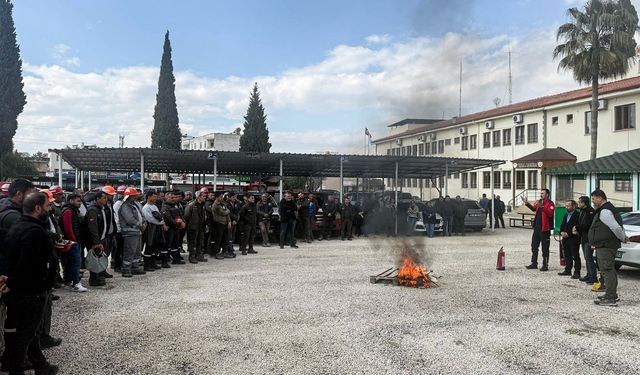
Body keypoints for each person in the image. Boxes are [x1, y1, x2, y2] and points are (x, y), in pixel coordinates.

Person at [0, 192, 59, 375]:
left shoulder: (18, 226)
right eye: (48, 206)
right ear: (38, 208)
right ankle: (14, 369)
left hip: (21, 289)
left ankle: (40, 364)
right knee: (24, 334)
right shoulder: (34, 231)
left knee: (25, 331)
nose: (50, 209)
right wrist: (14, 282)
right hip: (30, 292)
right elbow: (27, 262)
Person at [588, 189, 627, 306]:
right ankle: (611, 294)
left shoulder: (605, 211)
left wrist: (622, 237)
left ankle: (610, 297)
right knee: (609, 270)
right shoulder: (606, 209)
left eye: (594, 199)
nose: (593, 202)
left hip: (606, 246)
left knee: (607, 270)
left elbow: (615, 227)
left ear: (600, 198)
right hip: (605, 245)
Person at [59, 194, 87, 292]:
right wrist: (73, 241)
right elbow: (68, 228)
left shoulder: (72, 211)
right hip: (72, 242)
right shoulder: (69, 212)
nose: (80, 203)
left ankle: (68, 281)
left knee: (70, 263)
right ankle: (76, 283)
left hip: (72, 241)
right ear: (71, 201)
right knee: (76, 262)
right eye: (78, 201)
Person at [524, 189, 555, 271]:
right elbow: (534, 209)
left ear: (547, 194)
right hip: (537, 228)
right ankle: (534, 263)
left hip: (545, 229)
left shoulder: (550, 203)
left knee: (545, 248)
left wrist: (542, 206)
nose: (541, 194)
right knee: (534, 246)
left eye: (543, 193)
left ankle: (545, 265)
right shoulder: (539, 202)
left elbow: (550, 214)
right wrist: (527, 203)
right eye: (540, 193)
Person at [118, 188, 146, 277]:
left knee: (137, 251)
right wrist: (140, 225)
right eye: (134, 195)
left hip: (137, 231)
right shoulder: (125, 206)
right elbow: (129, 219)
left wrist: (144, 223)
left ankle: (135, 267)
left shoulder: (135, 205)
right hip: (130, 232)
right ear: (129, 196)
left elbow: (141, 215)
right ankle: (126, 269)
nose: (136, 196)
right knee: (130, 251)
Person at [84, 191, 110, 286]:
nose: (106, 199)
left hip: (101, 238)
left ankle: (98, 275)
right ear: (98, 199)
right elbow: (93, 227)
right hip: (94, 240)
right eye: (104, 198)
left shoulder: (102, 208)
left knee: (99, 258)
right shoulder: (93, 210)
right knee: (94, 259)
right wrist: (96, 242)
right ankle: (94, 279)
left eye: (106, 198)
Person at [141, 190, 169, 270]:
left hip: (157, 228)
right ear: (149, 197)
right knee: (149, 246)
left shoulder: (154, 206)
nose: (156, 198)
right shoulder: (146, 207)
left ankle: (153, 263)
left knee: (155, 247)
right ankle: (147, 265)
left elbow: (160, 216)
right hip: (150, 229)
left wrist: (162, 223)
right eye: (154, 196)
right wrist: (161, 223)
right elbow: (150, 219)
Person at [574, 196, 596, 284]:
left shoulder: (590, 212)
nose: (578, 204)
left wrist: (577, 228)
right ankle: (588, 274)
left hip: (588, 238)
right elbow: (580, 222)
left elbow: (587, 225)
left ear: (584, 203)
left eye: (579, 202)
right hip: (583, 237)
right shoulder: (582, 211)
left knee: (589, 258)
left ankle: (593, 277)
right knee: (586, 258)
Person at [161, 191, 186, 265]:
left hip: (176, 228)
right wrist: (178, 223)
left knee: (175, 244)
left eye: (174, 197)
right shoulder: (165, 207)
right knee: (166, 245)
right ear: (166, 198)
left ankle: (176, 259)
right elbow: (168, 218)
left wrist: (183, 222)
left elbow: (180, 215)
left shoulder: (175, 206)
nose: (173, 199)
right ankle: (164, 261)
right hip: (169, 228)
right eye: (171, 198)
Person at [558, 200, 581, 279]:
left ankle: (577, 272)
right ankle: (568, 270)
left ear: (573, 206)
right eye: (566, 205)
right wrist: (561, 232)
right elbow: (562, 225)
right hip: (565, 238)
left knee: (575, 255)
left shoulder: (577, 215)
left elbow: (577, 227)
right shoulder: (565, 215)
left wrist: (569, 234)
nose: (566, 207)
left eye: (568, 206)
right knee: (567, 255)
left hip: (573, 239)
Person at [184, 189, 207, 263]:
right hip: (193, 227)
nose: (205, 198)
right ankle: (192, 257)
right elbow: (186, 216)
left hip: (201, 226)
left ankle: (199, 255)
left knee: (200, 241)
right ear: (198, 197)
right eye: (203, 196)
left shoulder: (203, 205)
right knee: (192, 242)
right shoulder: (191, 205)